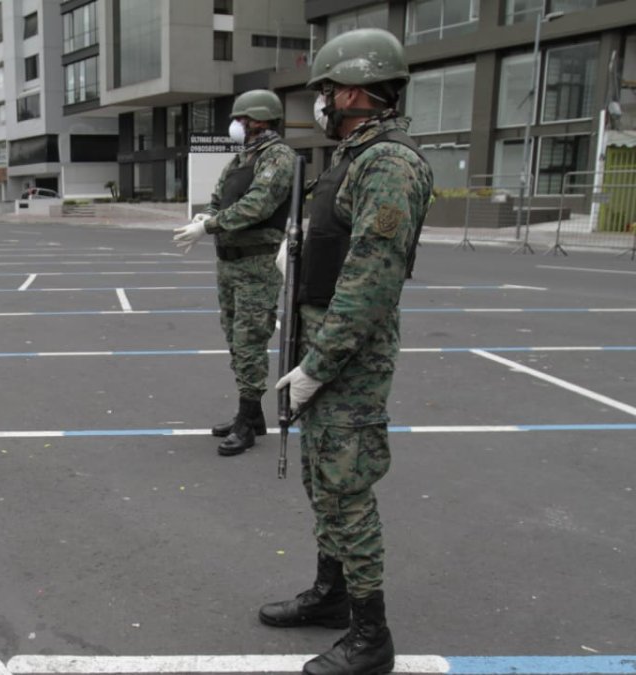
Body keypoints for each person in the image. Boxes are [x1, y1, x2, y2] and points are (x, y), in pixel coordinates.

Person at [260, 28, 433, 675]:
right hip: (328, 352)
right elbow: (340, 248)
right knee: (323, 482)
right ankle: (333, 594)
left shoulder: (389, 163)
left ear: (357, 89)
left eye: (328, 91)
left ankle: (371, 635)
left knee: (346, 489)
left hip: (348, 361)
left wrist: (315, 366)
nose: (323, 103)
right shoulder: (355, 159)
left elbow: (369, 286)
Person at [172, 89, 296, 457]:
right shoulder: (242, 159)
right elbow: (219, 197)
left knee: (249, 340)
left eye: (242, 119)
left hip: (257, 263)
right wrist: (205, 216)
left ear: (260, 119)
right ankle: (252, 413)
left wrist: (209, 226)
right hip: (230, 262)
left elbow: (258, 205)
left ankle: (248, 421)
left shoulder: (278, 157)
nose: (237, 125)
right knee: (233, 334)